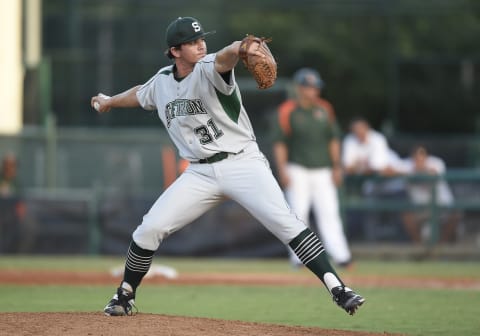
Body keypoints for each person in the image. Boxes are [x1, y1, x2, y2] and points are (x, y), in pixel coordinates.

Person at [91, 16, 364, 317]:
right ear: (175, 51)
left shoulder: (209, 68)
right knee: (149, 229)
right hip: (199, 173)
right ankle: (124, 296)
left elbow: (226, 56)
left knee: (287, 224)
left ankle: (339, 288)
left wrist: (242, 46)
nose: (200, 44)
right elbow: (140, 93)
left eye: (201, 39)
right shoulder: (162, 83)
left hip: (242, 163)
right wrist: (109, 102)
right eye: (192, 42)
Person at [272, 68, 352, 268]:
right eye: (309, 87)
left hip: (323, 169)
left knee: (329, 213)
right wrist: (282, 169)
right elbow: (280, 143)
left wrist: (336, 167)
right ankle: (298, 258)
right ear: (299, 88)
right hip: (297, 168)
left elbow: (333, 140)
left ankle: (341, 256)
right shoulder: (287, 110)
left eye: (315, 87)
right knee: (298, 214)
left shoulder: (325, 109)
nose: (313, 91)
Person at [400, 146, 460, 244]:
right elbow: (390, 169)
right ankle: (420, 248)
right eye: (416, 157)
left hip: (441, 207)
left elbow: (434, 173)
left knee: (456, 213)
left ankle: (441, 247)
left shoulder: (436, 162)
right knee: (407, 215)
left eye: (422, 156)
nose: (419, 160)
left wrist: (418, 170)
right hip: (421, 210)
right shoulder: (406, 165)